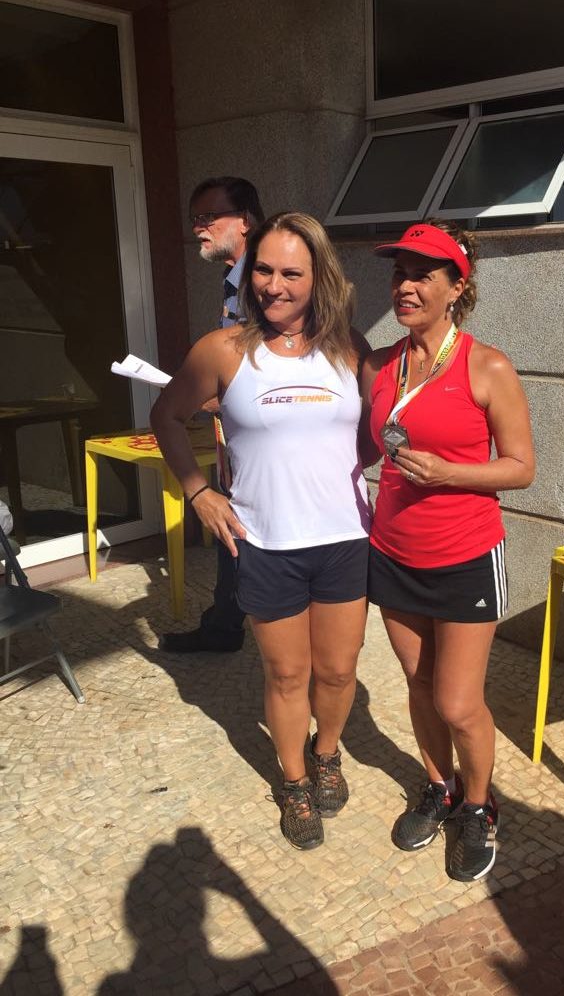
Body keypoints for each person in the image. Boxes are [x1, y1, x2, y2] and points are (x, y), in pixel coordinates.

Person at [151, 212, 371, 850]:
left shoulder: (349, 347)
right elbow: (167, 416)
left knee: (338, 671)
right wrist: (198, 493)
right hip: (267, 543)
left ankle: (326, 753)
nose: (274, 285)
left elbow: (375, 429)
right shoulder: (222, 350)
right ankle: (294, 781)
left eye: (291, 273)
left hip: (343, 539)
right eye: (265, 271)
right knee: (287, 675)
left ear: (319, 277)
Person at [361, 220, 535, 882]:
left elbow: (521, 467)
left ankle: (480, 806)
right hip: (393, 551)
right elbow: (361, 444)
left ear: (456, 287)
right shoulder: (380, 365)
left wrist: (450, 473)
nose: (405, 287)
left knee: (459, 702)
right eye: (398, 273)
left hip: (464, 556)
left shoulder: (487, 366)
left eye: (422, 275)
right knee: (419, 685)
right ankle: (440, 787)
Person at [161, 175, 265, 654]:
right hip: (236, 443)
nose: (198, 228)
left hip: (260, 446)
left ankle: (230, 626)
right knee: (231, 530)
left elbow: (266, 373)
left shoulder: (259, 282)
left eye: (209, 216)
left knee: (240, 530)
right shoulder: (233, 279)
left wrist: (211, 397)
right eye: (194, 218)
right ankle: (223, 624)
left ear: (243, 220)